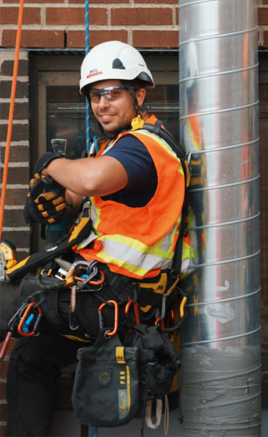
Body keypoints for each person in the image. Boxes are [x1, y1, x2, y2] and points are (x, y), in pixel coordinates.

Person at [5, 41, 192, 435]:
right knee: (31, 357)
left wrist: (50, 164)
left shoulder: (144, 147)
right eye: (95, 95)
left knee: (8, 304)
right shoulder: (116, 147)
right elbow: (81, 195)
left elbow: (90, 179)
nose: (103, 104)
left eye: (113, 92)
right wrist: (52, 203)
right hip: (108, 301)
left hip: (114, 299)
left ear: (139, 95)